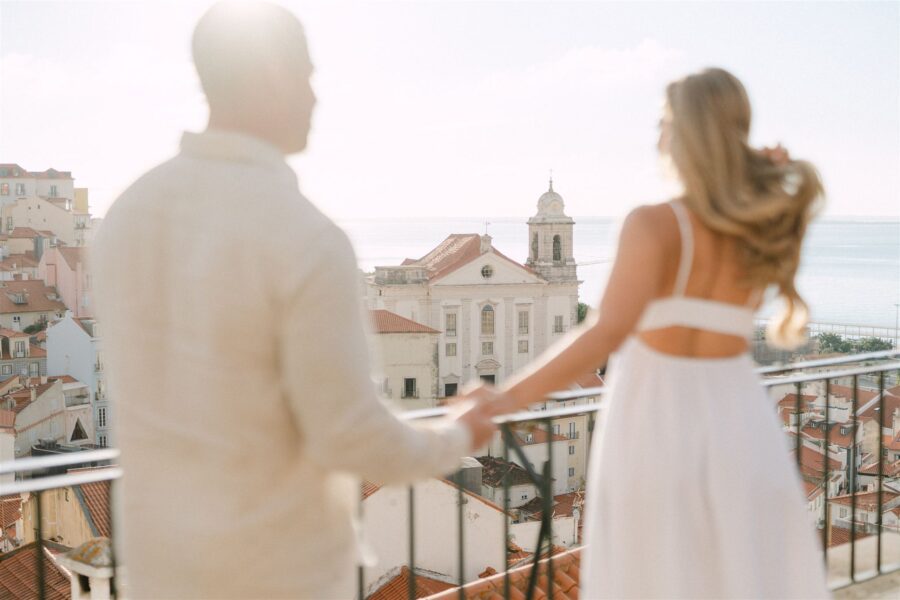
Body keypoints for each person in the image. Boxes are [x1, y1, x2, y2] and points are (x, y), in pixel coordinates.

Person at [91, 2, 495, 598]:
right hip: (277, 568)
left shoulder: (125, 216)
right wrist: (460, 434)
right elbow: (351, 437)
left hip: (160, 565)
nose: (314, 97)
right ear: (272, 76)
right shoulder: (304, 236)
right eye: (307, 74)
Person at [475, 68, 829, 598]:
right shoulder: (762, 224)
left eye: (663, 122)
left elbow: (603, 334)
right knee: (735, 568)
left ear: (682, 132)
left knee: (658, 568)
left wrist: (502, 399)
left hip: (658, 414)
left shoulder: (654, 223)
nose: (658, 135)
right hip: (738, 412)